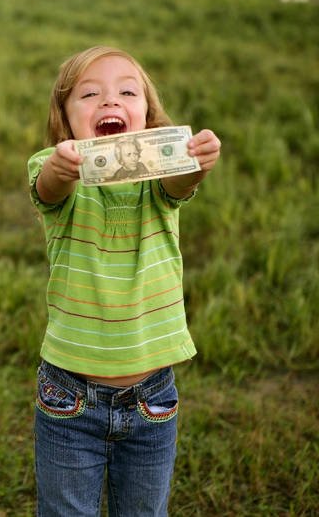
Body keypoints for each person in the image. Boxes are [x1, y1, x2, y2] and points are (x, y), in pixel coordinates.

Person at [26, 46, 221, 516]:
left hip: (152, 395)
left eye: (127, 93)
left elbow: (180, 186)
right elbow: (48, 187)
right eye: (89, 94)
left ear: (148, 117)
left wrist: (195, 164)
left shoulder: (160, 174)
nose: (110, 101)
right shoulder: (55, 168)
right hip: (69, 396)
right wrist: (60, 168)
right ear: (64, 119)